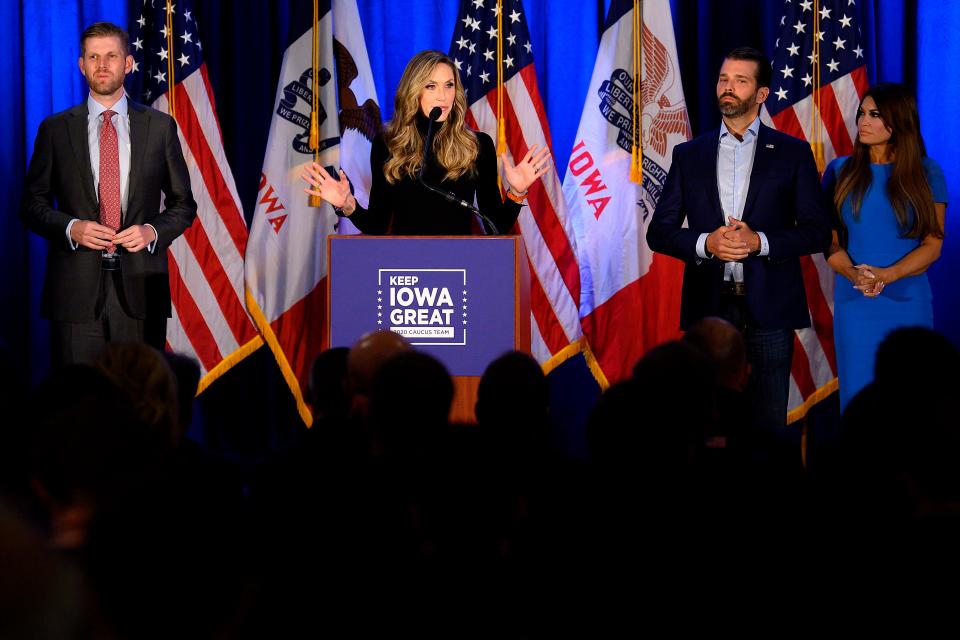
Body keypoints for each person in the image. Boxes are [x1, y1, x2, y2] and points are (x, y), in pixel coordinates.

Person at [646, 46, 832, 432]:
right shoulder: (688, 154)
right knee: (706, 424)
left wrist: (758, 242)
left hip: (770, 308)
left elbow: (816, 231)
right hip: (709, 309)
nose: (727, 88)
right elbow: (658, 232)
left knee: (767, 427)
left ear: (762, 94)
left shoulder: (792, 154)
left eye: (740, 81)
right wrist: (706, 244)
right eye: (723, 79)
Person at [20, 22, 197, 367]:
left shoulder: (159, 127)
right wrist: (73, 228)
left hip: (141, 291)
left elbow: (183, 204)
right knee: (78, 403)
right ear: (81, 65)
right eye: (93, 57)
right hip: (74, 292)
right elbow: (31, 204)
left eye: (111, 56)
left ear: (128, 63)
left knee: (140, 404)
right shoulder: (55, 129)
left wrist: (152, 232)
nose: (102, 65)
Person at [301, 49, 551, 235]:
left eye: (449, 85)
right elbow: (377, 224)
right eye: (431, 86)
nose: (442, 96)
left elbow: (495, 226)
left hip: (461, 269)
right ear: (414, 91)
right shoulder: (388, 144)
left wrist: (517, 192)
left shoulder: (477, 145)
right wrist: (347, 204)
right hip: (406, 273)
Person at [821, 83, 948, 411]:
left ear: (898, 121)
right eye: (862, 113)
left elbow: (933, 244)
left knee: (913, 403)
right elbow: (829, 243)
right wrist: (855, 275)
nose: (863, 121)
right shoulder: (839, 171)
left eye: (874, 115)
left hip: (908, 301)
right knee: (859, 401)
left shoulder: (926, 171)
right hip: (855, 302)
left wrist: (888, 275)